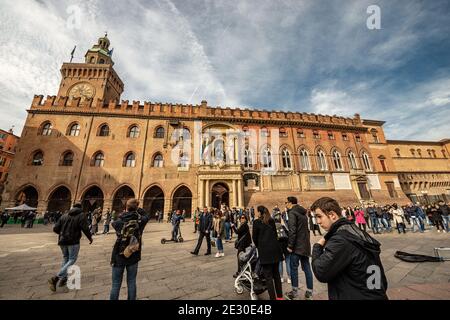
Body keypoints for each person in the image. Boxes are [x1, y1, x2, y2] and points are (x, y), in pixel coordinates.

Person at [310, 197, 388, 300]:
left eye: (319, 216)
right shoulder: (354, 230)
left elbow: (320, 271)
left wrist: (317, 246)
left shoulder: (340, 239)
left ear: (332, 215)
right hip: (373, 292)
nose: (318, 222)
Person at [110, 200, 149, 300]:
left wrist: (126, 211)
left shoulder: (118, 221)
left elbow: (114, 221)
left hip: (119, 255)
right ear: (136, 208)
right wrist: (137, 209)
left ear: (126, 207)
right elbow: (146, 216)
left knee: (115, 284)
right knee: (131, 282)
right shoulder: (140, 221)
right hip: (133, 254)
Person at [49, 203, 93, 291]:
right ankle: (56, 277)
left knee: (65, 258)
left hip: (62, 240)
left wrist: (62, 234)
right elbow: (85, 228)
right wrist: (90, 238)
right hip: (73, 241)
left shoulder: (64, 215)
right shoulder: (81, 215)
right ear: (81, 208)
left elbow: (55, 229)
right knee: (72, 259)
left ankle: (63, 279)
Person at [285, 197, 313, 300]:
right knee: (307, 268)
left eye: (286, 202)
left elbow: (293, 230)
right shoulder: (303, 213)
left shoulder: (292, 212)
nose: (285, 204)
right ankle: (309, 293)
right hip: (305, 245)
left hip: (296, 246)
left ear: (290, 203)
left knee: (293, 268)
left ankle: (294, 293)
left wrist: (290, 246)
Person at [252, 206, 283, 300]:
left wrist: (259, 246)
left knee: (268, 278)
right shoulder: (271, 221)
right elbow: (275, 234)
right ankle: (280, 297)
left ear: (260, 213)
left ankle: (273, 298)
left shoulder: (257, 222)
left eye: (258, 212)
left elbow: (254, 238)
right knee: (276, 275)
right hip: (275, 251)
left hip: (265, 252)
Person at [273, 208, 291, 284]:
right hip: (285, 246)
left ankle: (281, 277)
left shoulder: (273, 228)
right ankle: (289, 278)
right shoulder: (283, 227)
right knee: (288, 262)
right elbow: (289, 235)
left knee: (280, 263)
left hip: (278, 247)